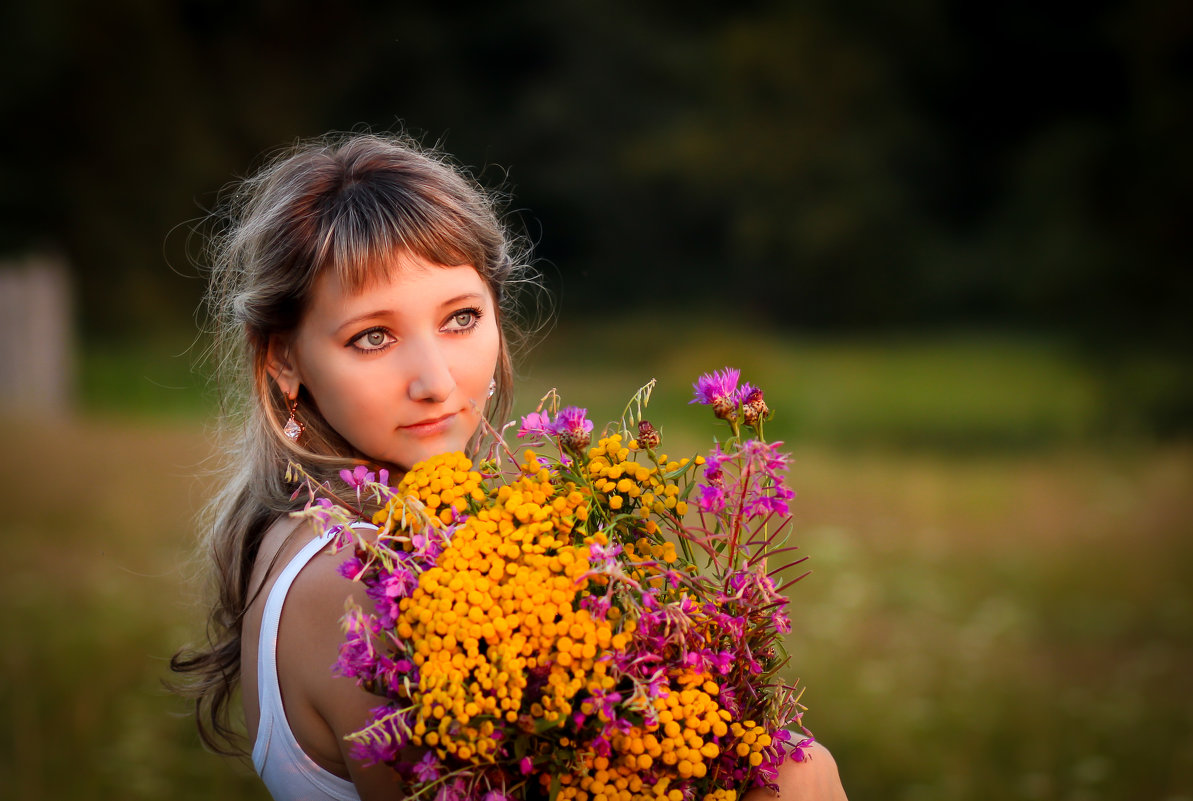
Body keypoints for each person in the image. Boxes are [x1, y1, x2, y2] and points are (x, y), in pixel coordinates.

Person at [170, 133, 846, 801]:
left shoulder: (305, 534)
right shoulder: (370, 582)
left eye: (460, 318)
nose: (433, 379)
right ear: (283, 359)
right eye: (372, 336)